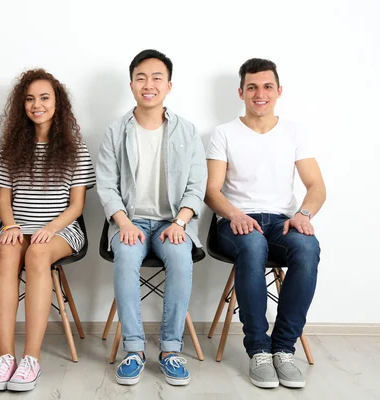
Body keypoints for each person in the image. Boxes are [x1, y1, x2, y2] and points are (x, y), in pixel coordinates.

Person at [205, 58, 326, 389]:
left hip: (282, 224)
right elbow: (211, 191)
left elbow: (316, 186)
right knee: (253, 245)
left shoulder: (295, 132)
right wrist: (234, 214)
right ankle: (258, 349)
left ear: (279, 91)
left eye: (267, 86)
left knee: (308, 247)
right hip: (234, 223)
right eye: (253, 87)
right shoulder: (223, 134)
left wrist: (303, 215)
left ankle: (283, 348)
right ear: (241, 92)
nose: (260, 93)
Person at [96, 49, 206, 387]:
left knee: (179, 255)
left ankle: (171, 349)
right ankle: (134, 350)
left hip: (172, 223)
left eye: (157, 77)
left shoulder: (187, 131)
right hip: (129, 221)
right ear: (131, 85)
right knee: (126, 257)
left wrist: (181, 222)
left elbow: (196, 185)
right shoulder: (116, 131)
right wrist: (124, 223)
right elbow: (106, 184)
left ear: (169, 85)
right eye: (141, 77)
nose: (149, 84)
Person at [0, 69, 95, 392]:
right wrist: (10, 225)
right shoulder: (11, 148)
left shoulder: (75, 148)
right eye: (30, 99)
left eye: (44, 97)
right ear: (22, 105)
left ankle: (31, 359)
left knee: (38, 253)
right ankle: (6, 357)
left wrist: (50, 227)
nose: (37, 104)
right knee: (5, 250)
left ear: (57, 103)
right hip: (18, 226)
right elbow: (4, 200)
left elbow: (76, 206)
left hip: (61, 230)